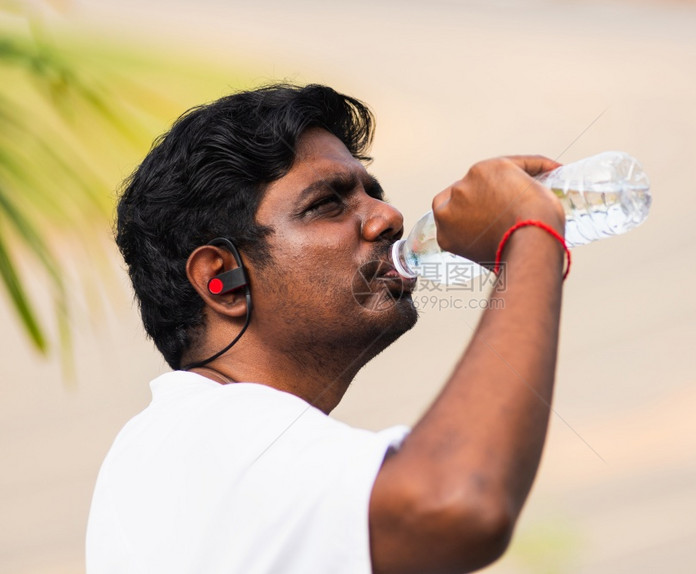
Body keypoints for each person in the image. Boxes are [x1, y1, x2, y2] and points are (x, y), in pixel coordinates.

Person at [87, 83, 568, 574]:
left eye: (373, 193)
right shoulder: (209, 432)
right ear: (222, 280)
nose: (389, 218)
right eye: (327, 204)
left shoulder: (205, 444)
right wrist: (530, 235)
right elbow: (460, 502)